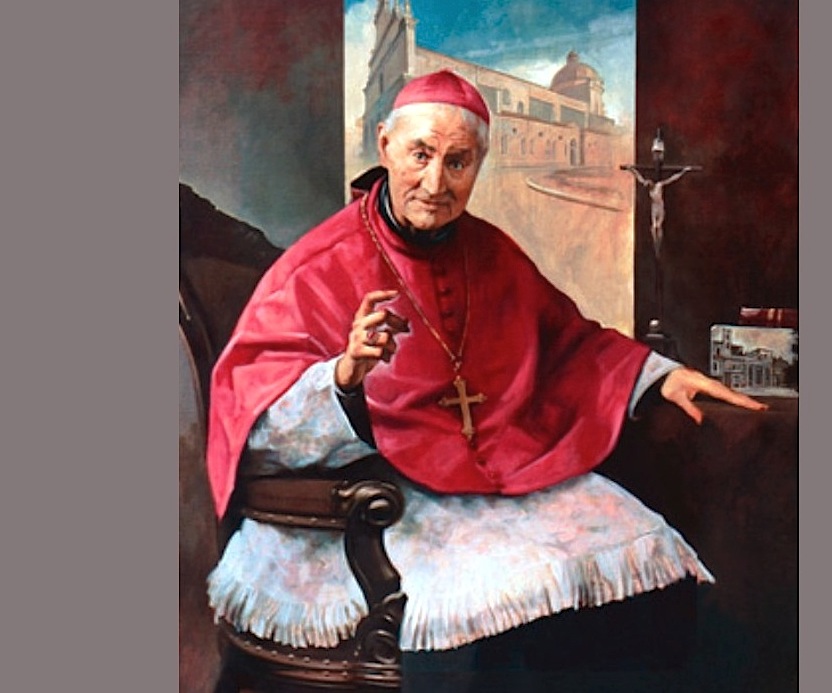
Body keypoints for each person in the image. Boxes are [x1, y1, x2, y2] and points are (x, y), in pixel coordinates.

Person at [205, 70, 766, 690]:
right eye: (420, 155)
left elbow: (567, 341)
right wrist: (343, 377)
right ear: (385, 145)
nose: (436, 183)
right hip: (378, 489)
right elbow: (255, 426)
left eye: (458, 162)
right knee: (486, 617)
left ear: (479, 164)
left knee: (649, 573)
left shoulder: (492, 251)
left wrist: (659, 377)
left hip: (497, 470)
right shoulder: (315, 266)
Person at [623, 163, 695, 259]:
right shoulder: (648, 186)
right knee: (653, 228)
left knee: (659, 226)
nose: (649, 187)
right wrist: (630, 169)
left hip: (660, 206)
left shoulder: (659, 185)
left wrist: (683, 171)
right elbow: (638, 176)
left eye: (649, 185)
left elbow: (672, 179)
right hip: (654, 207)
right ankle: (655, 247)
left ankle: (659, 246)